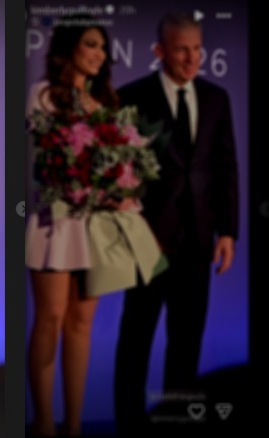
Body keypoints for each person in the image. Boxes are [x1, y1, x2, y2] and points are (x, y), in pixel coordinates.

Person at [113, 12, 238, 435]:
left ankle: (176, 423)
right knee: (137, 339)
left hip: (200, 239)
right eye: (183, 49)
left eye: (197, 49)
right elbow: (117, 170)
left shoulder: (217, 98)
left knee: (187, 342)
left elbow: (226, 167)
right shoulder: (131, 97)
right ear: (160, 50)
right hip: (147, 239)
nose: (192, 58)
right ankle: (129, 424)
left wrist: (229, 232)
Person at [24, 16, 130, 437]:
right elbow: (39, 161)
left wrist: (121, 185)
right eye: (91, 44)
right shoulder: (43, 96)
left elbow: (122, 165)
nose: (99, 54)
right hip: (56, 221)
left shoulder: (108, 102)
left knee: (81, 324)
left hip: (96, 224)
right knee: (50, 317)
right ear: (70, 48)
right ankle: (45, 424)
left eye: (103, 47)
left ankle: (73, 425)